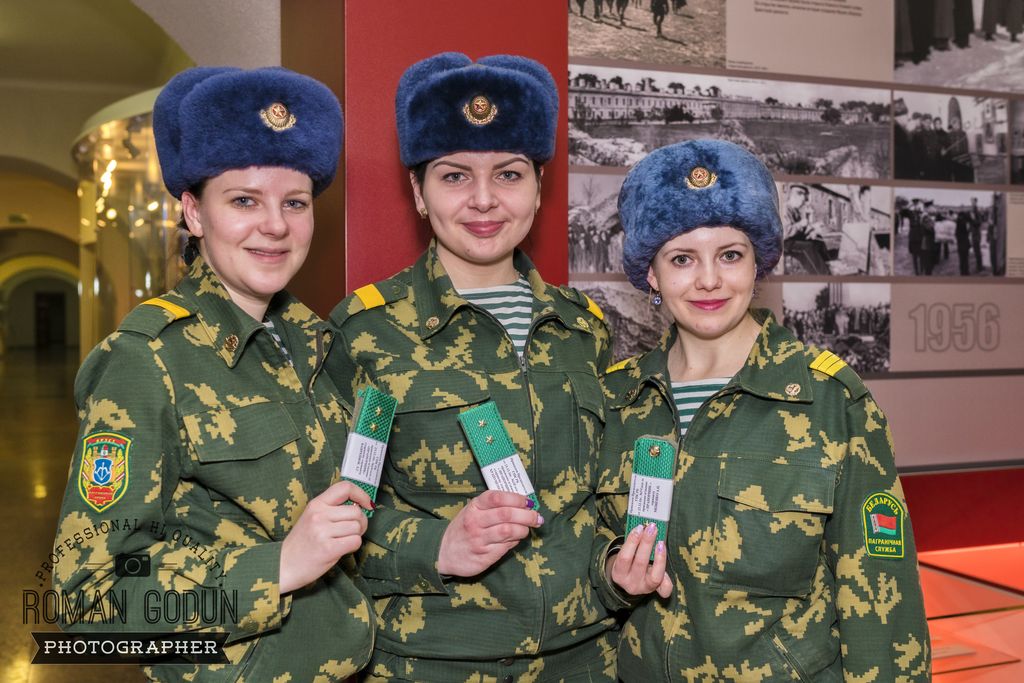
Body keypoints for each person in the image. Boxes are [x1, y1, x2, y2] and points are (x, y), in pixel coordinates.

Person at [51, 67, 374, 682]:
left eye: (295, 202)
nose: (275, 225)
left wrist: (445, 546)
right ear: (195, 213)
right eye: (244, 200)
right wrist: (277, 566)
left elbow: (350, 530)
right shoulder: (146, 359)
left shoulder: (320, 343)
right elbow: (88, 599)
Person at [327, 53, 618, 682]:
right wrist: (438, 545)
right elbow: (324, 514)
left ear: (539, 186)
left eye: (508, 174)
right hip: (432, 661)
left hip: (586, 660)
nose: (484, 199)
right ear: (418, 192)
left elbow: (610, 499)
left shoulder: (584, 329)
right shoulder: (365, 333)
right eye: (455, 175)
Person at [594, 139, 931, 681]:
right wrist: (610, 570)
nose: (709, 279)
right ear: (650, 274)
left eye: (730, 255)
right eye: (682, 259)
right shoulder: (617, 401)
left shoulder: (829, 401)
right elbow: (578, 554)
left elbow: (882, 603)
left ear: (759, 264)